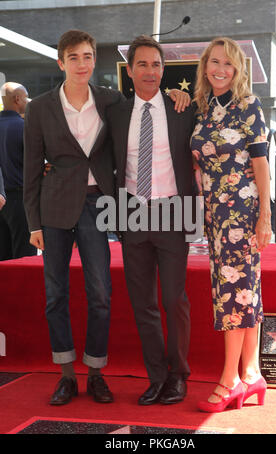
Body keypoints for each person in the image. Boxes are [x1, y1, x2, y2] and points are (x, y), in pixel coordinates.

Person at [24, 29, 189, 406]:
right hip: (74, 210)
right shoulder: (46, 108)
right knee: (57, 294)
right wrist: (32, 222)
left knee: (110, 293)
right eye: (74, 57)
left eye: (87, 56)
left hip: (117, 206)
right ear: (60, 62)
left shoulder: (113, 102)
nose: (82, 64)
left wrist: (178, 93)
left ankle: (108, 373)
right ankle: (68, 375)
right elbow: (33, 169)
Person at [106, 35, 196, 406]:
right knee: (142, 302)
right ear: (129, 71)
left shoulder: (183, 108)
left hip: (174, 211)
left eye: (156, 65)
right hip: (132, 213)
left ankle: (178, 375)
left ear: (164, 70)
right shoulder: (115, 113)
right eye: (141, 64)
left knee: (174, 299)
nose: (149, 71)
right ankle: (156, 377)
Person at [190, 37, 272, 412]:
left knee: (233, 295)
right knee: (243, 290)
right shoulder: (204, 108)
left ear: (238, 71)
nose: (220, 69)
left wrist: (264, 217)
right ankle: (252, 373)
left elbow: (260, 164)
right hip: (215, 216)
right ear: (205, 66)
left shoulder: (247, 106)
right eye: (214, 62)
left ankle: (230, 380)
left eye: (228, 64)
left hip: (241, 213)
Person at [0, 82, 37, 261]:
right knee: (24, 258)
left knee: (3, 256)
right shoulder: (24, 128)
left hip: (2, 199)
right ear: (17, 99)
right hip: (20, 201)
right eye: (25, 98)